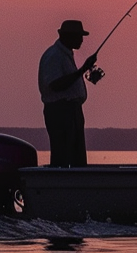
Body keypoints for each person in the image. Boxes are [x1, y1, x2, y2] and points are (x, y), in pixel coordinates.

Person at [38, 20, 97, 167]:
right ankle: (62, 185)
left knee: (76, 157)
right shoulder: (54, 56)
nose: (82, 40)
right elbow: (55, 85)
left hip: (72, 111)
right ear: (68, 36)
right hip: (61, 112)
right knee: (62, 157)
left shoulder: (65, 55)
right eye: (79, 36)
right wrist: (82, 70)